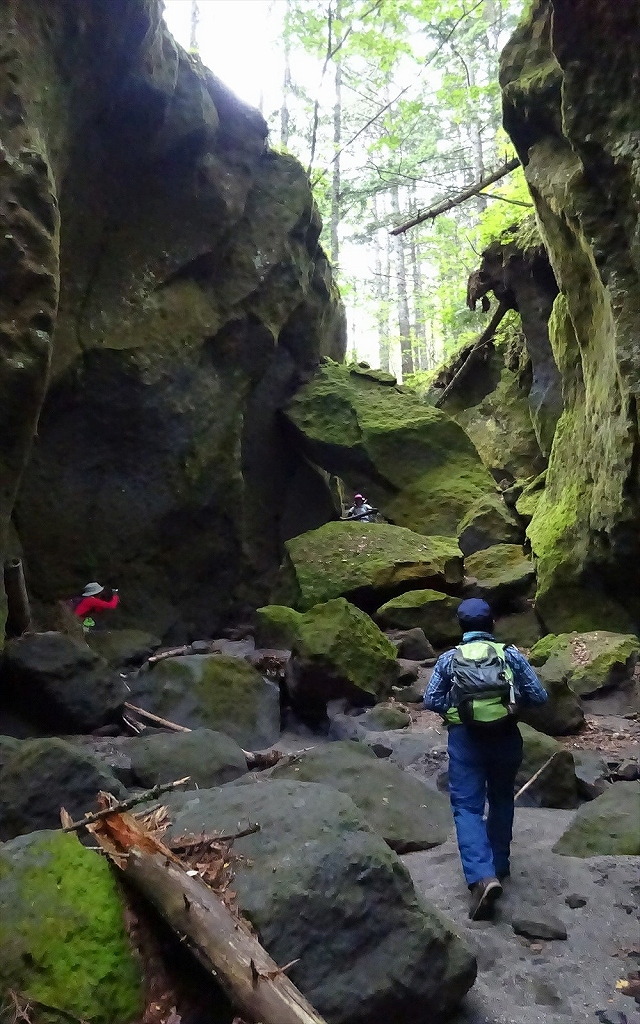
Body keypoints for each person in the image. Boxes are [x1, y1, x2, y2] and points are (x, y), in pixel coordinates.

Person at [423, 598, 548, 921]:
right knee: (503, 798)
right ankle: (500, 866)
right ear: (492, 624)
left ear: (461, 627)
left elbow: (431, 699)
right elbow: (539, 696)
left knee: (467, 807)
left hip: (466, 740)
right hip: (506, 736)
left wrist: (458, 713)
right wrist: (510, 705)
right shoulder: (509, 655)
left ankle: (482, 876)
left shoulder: (449, 660)